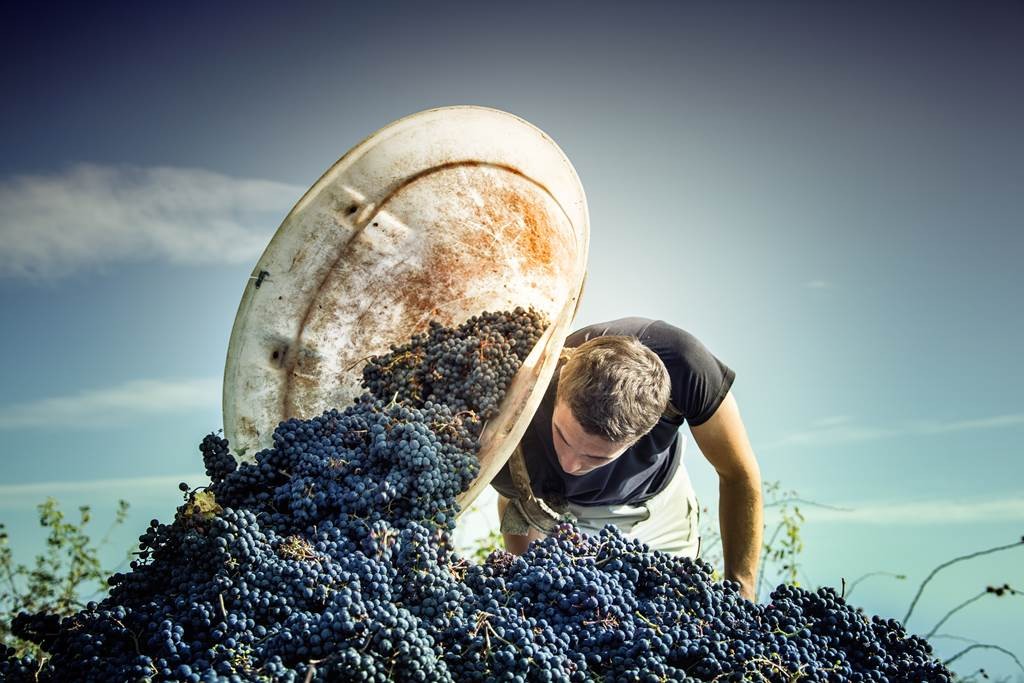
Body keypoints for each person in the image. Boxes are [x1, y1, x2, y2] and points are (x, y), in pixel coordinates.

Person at [489, 317, 763, 602]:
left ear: (638, 437)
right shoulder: (518, 406)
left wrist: (743, 590)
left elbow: (738, 474)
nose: (570, 464)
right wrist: (523, 584)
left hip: (660, 506)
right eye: (563, 435)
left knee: (670, 615)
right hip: (568, 515)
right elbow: (514, 508)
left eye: (595, 456)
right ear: (560, 391)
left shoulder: (684, 364)